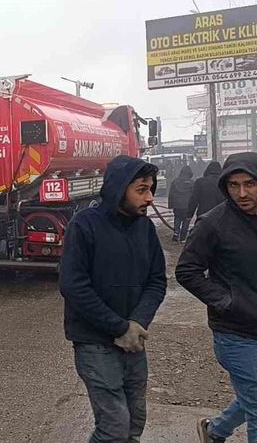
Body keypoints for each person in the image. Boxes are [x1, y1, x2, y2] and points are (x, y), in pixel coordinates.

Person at [176, 152, 257, 443]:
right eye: (234, 185)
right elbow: (187, 271)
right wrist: (227, 303)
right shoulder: (213, 223)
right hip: (235, 334)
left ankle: (215, 431)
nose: (242, 193)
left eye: (249, 184)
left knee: (255, 397)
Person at [59, 155, 167, 443]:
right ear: (120, 188)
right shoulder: (84, 225)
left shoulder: (146, 229)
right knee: (114, 427)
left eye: (151, 188)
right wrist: (118, 328)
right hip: (95, 342)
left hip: (133, 340)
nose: (150, 198)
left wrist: (136, 323)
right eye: (141, 189)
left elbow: (157, 281)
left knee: (135, 422)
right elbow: (73, 286)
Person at [168, 165, 194, 242]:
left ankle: (176, 233)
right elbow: (194, 195)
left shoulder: (175, 181)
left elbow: (171, 194)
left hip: (177, 205)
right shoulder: (192, 182)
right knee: (186, 220)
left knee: (177, 218)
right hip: (187, 205)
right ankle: (183, 237)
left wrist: (170, 205)